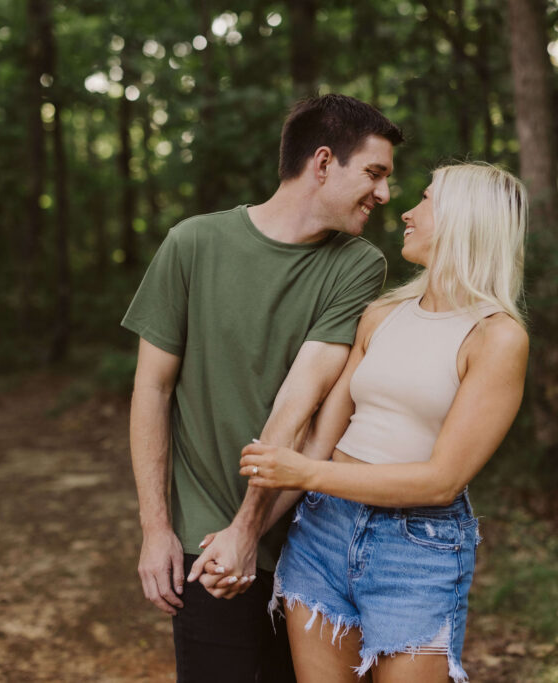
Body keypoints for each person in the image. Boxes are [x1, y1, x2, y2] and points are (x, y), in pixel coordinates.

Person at [121, 94, 404, 683]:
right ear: (323, 163)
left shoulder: (357, 263)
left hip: (307, 541)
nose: (385, 194)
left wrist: (249, 529)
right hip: (205, 539)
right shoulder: (192, 243)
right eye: (374, 174)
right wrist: (156, 529)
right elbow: (152, 389)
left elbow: (299, 402)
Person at [237, 162, 530, 683]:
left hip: (415, 551)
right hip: (322, 533)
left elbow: (441, 481)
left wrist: (304, 474)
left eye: (425, 200)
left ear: (465, 219)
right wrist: (243, 532)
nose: (407, 212)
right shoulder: (381, 314)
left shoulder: (496, 337)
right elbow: (321, 437)